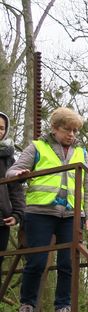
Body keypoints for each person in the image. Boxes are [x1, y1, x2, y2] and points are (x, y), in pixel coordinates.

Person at [7, 107, 88, 312]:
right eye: (68, 130)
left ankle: (63, 308)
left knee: (68, 262)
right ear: (54, 128)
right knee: (36, 261)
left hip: (71, 214)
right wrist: (18, 174)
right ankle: (26, 307)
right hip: (40, 212)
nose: (72, 135)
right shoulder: (37, 147)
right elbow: (12, 171)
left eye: (75, 131)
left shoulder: (81, 153)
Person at [0, 111, 24, 282]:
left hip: (2, 219)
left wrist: (17, 214)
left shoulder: (8, 157)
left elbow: (15, 189)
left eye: (1, 128)